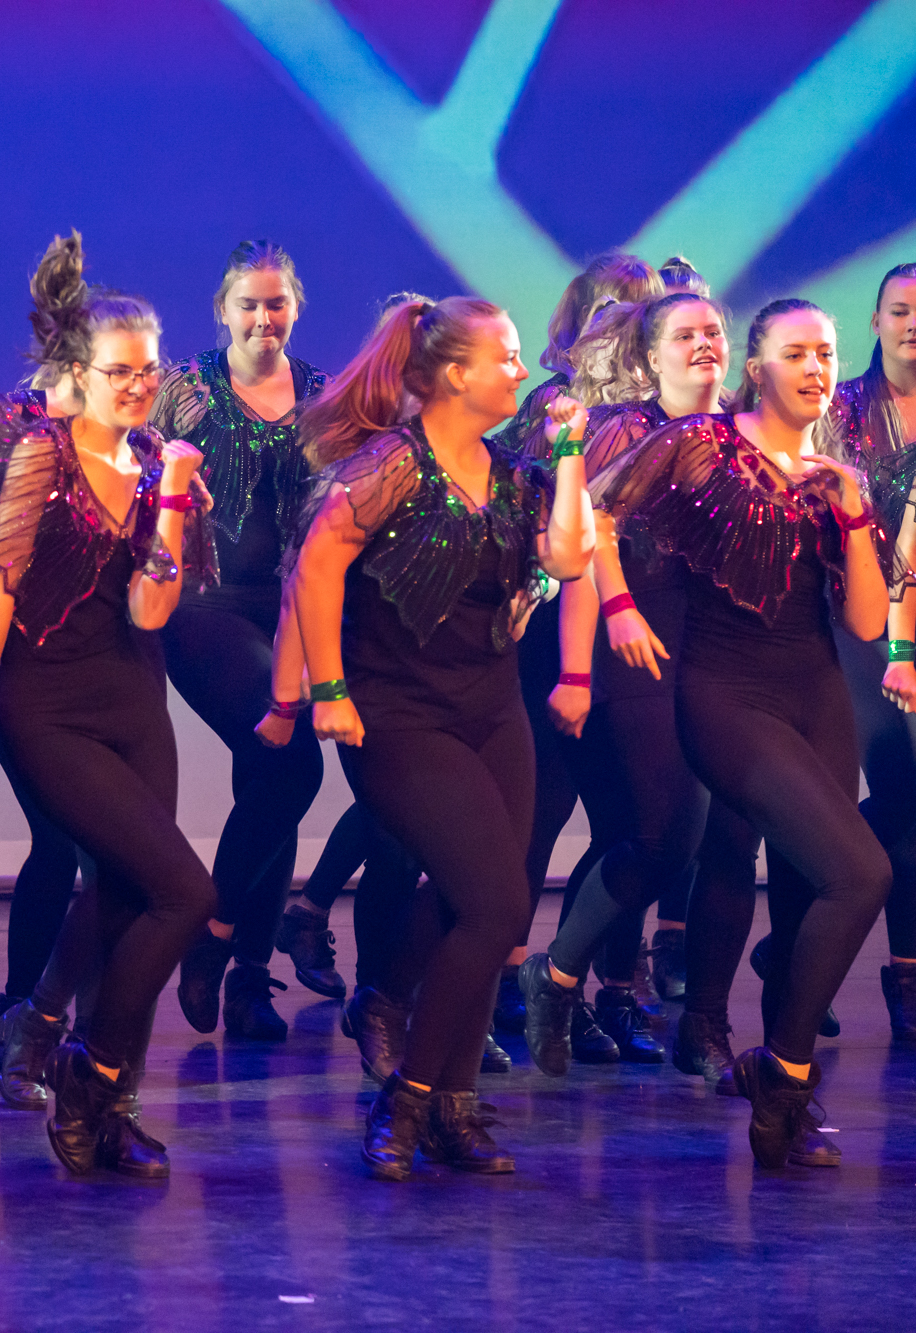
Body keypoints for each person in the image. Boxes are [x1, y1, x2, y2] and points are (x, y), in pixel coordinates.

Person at [538, 300, 891, 1169]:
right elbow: (598, 517)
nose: (816, 368)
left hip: (817, 693)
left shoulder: (834, 473)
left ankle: (784, 1091)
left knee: (812, 891)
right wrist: (617, 605)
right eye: (795, 353)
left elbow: (866, 621)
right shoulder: (702, 442)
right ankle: (777, 1069)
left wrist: (853, 513)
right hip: (725, 693)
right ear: (757, 367)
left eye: (826, 352)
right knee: (861, 872)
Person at [285, 295, 594, 1180]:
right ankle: (409, 1098)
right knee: (494, 905)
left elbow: (570, 559)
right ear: (457, 373)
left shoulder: (517, 472)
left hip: (492, 710)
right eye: (507, 356)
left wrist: (570, 454)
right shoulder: (394, 463)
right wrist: (326, 688)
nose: (523, 371)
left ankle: (453, 1105)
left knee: (485, 906)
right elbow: (316, 565)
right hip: (397, 713)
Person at [0, 232, 216, 1179]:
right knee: (187, 893)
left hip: (132, 694)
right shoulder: (41, 455)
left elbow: (151, 607)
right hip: (44, 702)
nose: (140, 387)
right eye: (121, 371)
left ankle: (105, 1103)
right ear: (78, 372)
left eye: (150, 370)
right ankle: (84, 1068)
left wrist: (173, 497)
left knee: (131, 894)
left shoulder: (157, 468)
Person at [514, 293, 732, 1076]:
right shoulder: (625, 428)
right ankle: (554, 976)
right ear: (650, 355)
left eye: (713, 331)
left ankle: (599, 990)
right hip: (629, 644)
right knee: (658, 832)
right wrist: (613, 619)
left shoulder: (739, 432)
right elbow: (588, 530)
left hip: (710, 650)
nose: (704, 343)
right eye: (685, 334)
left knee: (676, 839)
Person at [152, 240, 328, 1041]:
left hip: (292, 608)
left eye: (276, 303)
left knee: (269, 776)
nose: (263, 318)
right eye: (248, 304)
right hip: (205, 606)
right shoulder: (184, 389)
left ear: (295, 308)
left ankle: (249, 977)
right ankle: (217, 933)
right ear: (223, 310)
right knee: (290, 761)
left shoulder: (324, 394)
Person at [826, 262, 916, 1040]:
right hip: (855, 620)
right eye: (900, 309)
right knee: (898, 785)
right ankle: (904, 973)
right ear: (877, 321)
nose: (913, 323)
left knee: (906, 801)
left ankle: (799, 941)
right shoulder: (842, 408)